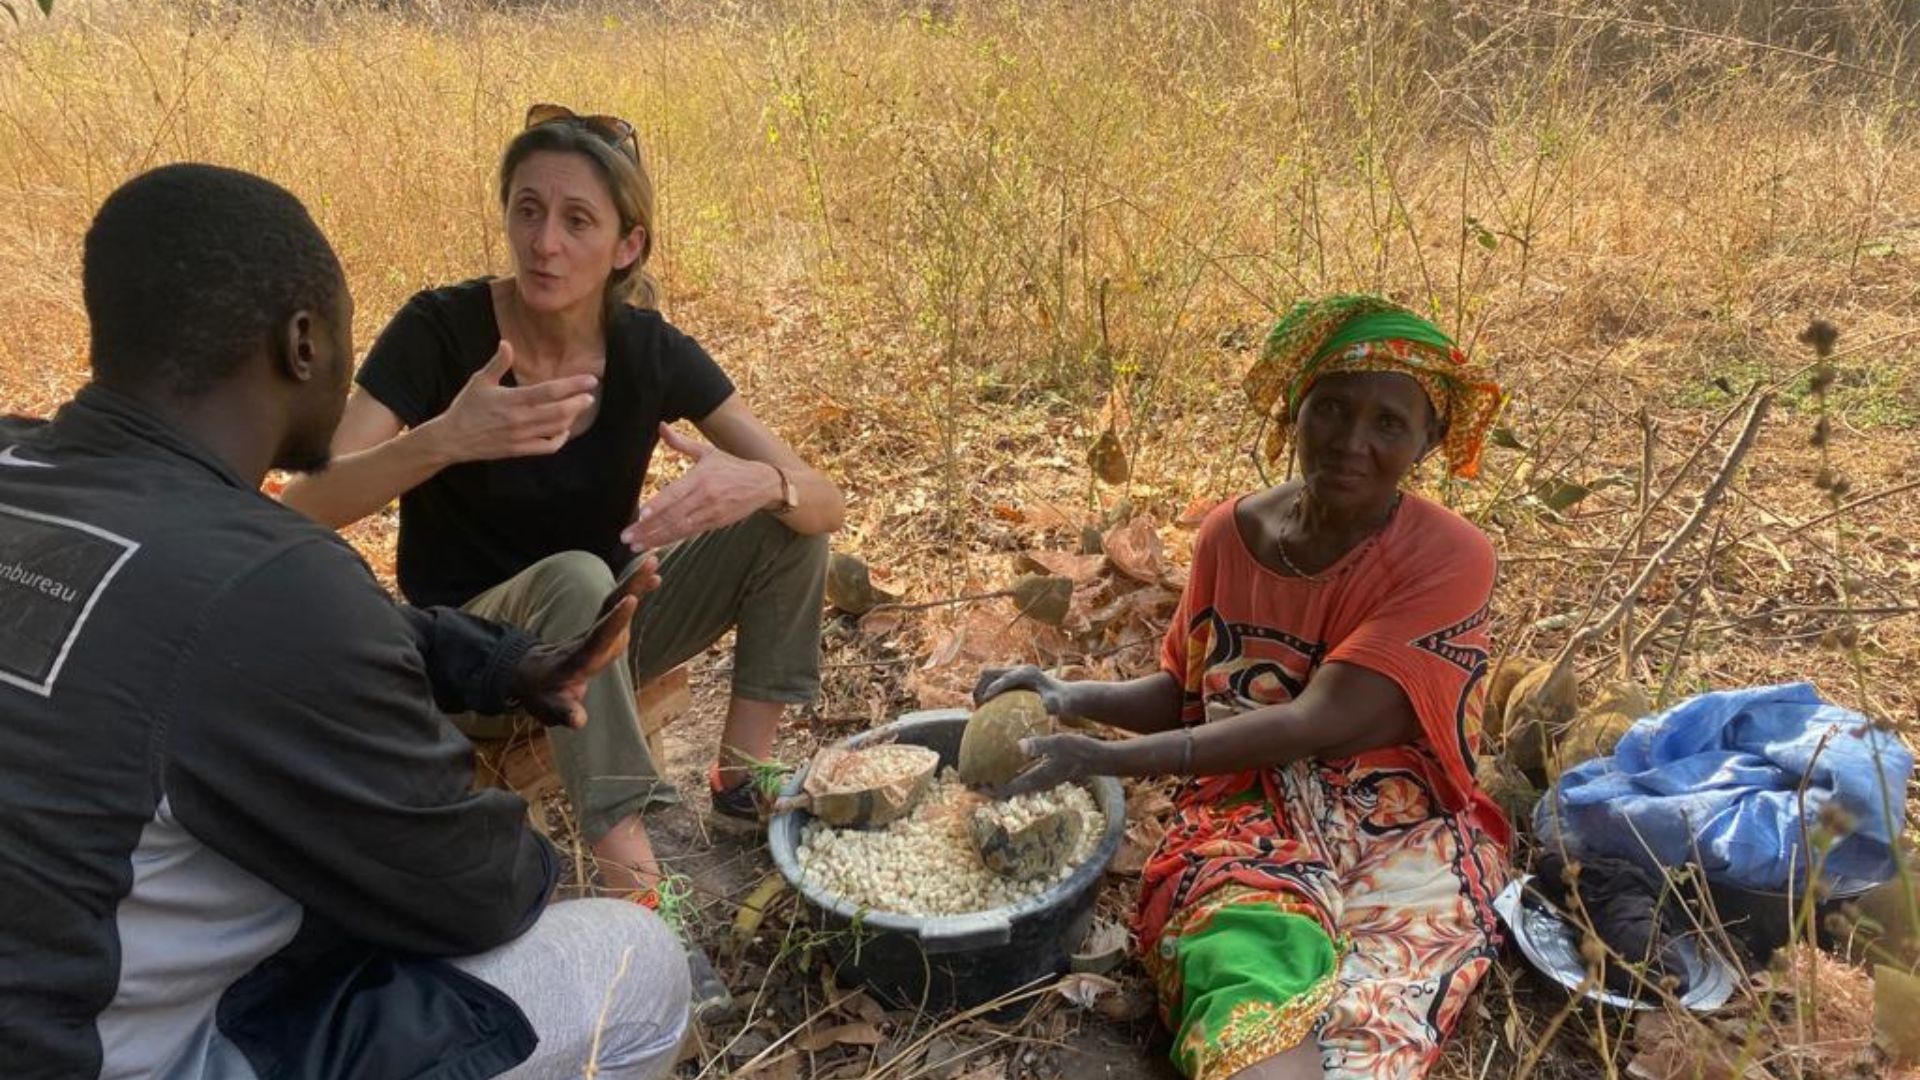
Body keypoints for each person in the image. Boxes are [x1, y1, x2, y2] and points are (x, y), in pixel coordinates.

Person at [0, 163, 688, 1079]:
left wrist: (498, 661)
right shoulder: (275, 582)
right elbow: (478, 890)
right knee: (634, 962)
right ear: (303, 343)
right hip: (114, 1053)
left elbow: (169, 626)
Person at [281, 103, 842, 896]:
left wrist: (765, 483)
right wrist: (444, 439)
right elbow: (302, 505)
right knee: (580, 577)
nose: (545, 243)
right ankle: (632, 882)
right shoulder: (441, 331)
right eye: (528, 211)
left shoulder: (648, 349)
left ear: (627, 245)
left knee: (784, 525)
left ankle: (743, 781)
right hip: (472, 663)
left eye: (578, 221)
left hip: (599, 643)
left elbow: (826, 503)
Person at [975, 295, 1511, 1080]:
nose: (1352, 443)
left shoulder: (1450, 558)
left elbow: (1315, 721)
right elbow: (1189, 694)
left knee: (1371, 1018)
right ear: (1295, 408)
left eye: (1389, 424)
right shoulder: (1230, 533)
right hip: (1241, 815)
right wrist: (1065, 696)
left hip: (1394, 828)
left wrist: (1102, 758)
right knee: (1245, 985)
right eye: (1332, 409)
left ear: (1428, 441)